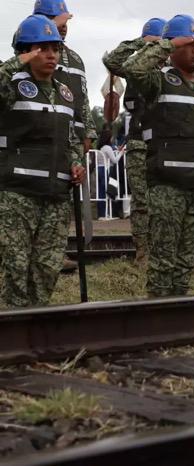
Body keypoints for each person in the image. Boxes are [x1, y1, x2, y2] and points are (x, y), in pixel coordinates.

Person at [122, 14, 194, 297]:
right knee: (164, 256)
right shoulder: (158, 81)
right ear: (173, 47)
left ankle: (179, 304)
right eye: (189, 43)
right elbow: (131, 68)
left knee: (188, 257)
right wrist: (167, 45)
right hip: (168, 185)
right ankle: (158, 308)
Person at [0, 15, 86, 308]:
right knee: (14, 268)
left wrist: (76, 163)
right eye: (43, 48)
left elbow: (71, 138)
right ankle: (13, 335)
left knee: (47, 269)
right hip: (17, 195)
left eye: (55, 48)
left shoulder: (64, 92)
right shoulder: (10, 84)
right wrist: (18, 62)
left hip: (56, 195)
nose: (51, 55)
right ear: (25, 51)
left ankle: (35, 328)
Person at [33, 0, 96, 273]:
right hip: (45, 134)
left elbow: (83, 98)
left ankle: (57, 251)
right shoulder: (30, 49)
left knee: (65, 196)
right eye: (58, 21)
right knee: (42, 192)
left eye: (66, 22)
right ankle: (38, 252)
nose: (64, 27)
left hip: (73, 135)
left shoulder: (76, 58)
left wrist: (88, 131)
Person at [103, 17, 167, 268]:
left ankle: (163, 249)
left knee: (165, 200)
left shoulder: (174, 69)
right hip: (140, 142)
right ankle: (142, 251)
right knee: (142, 201)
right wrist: (141, 43)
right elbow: (112, 61)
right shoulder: (134, 67)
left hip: (168, 143)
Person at [96, 129, 120, 219]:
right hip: (106, 169)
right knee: (107, 191)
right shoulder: (108, 148)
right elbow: (114, 160)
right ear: (109, 138)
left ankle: (102, 214)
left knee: (101, 192)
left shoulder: (101, 147)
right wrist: (121, 153)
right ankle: (104, 214)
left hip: (100, 169)